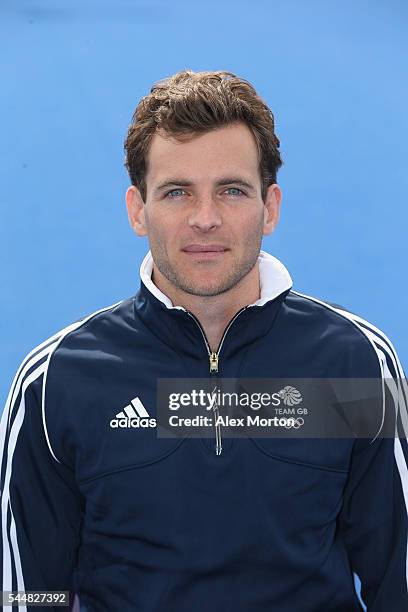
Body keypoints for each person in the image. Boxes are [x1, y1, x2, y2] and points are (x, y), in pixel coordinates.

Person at [1, 69, 407, 612]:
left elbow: (397, 579)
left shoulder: (356, 364)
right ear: (138, 210)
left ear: (272, 207)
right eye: (176, 193)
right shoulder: (56, 382)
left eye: (232, 190)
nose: (206, 219)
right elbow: (30, 595)